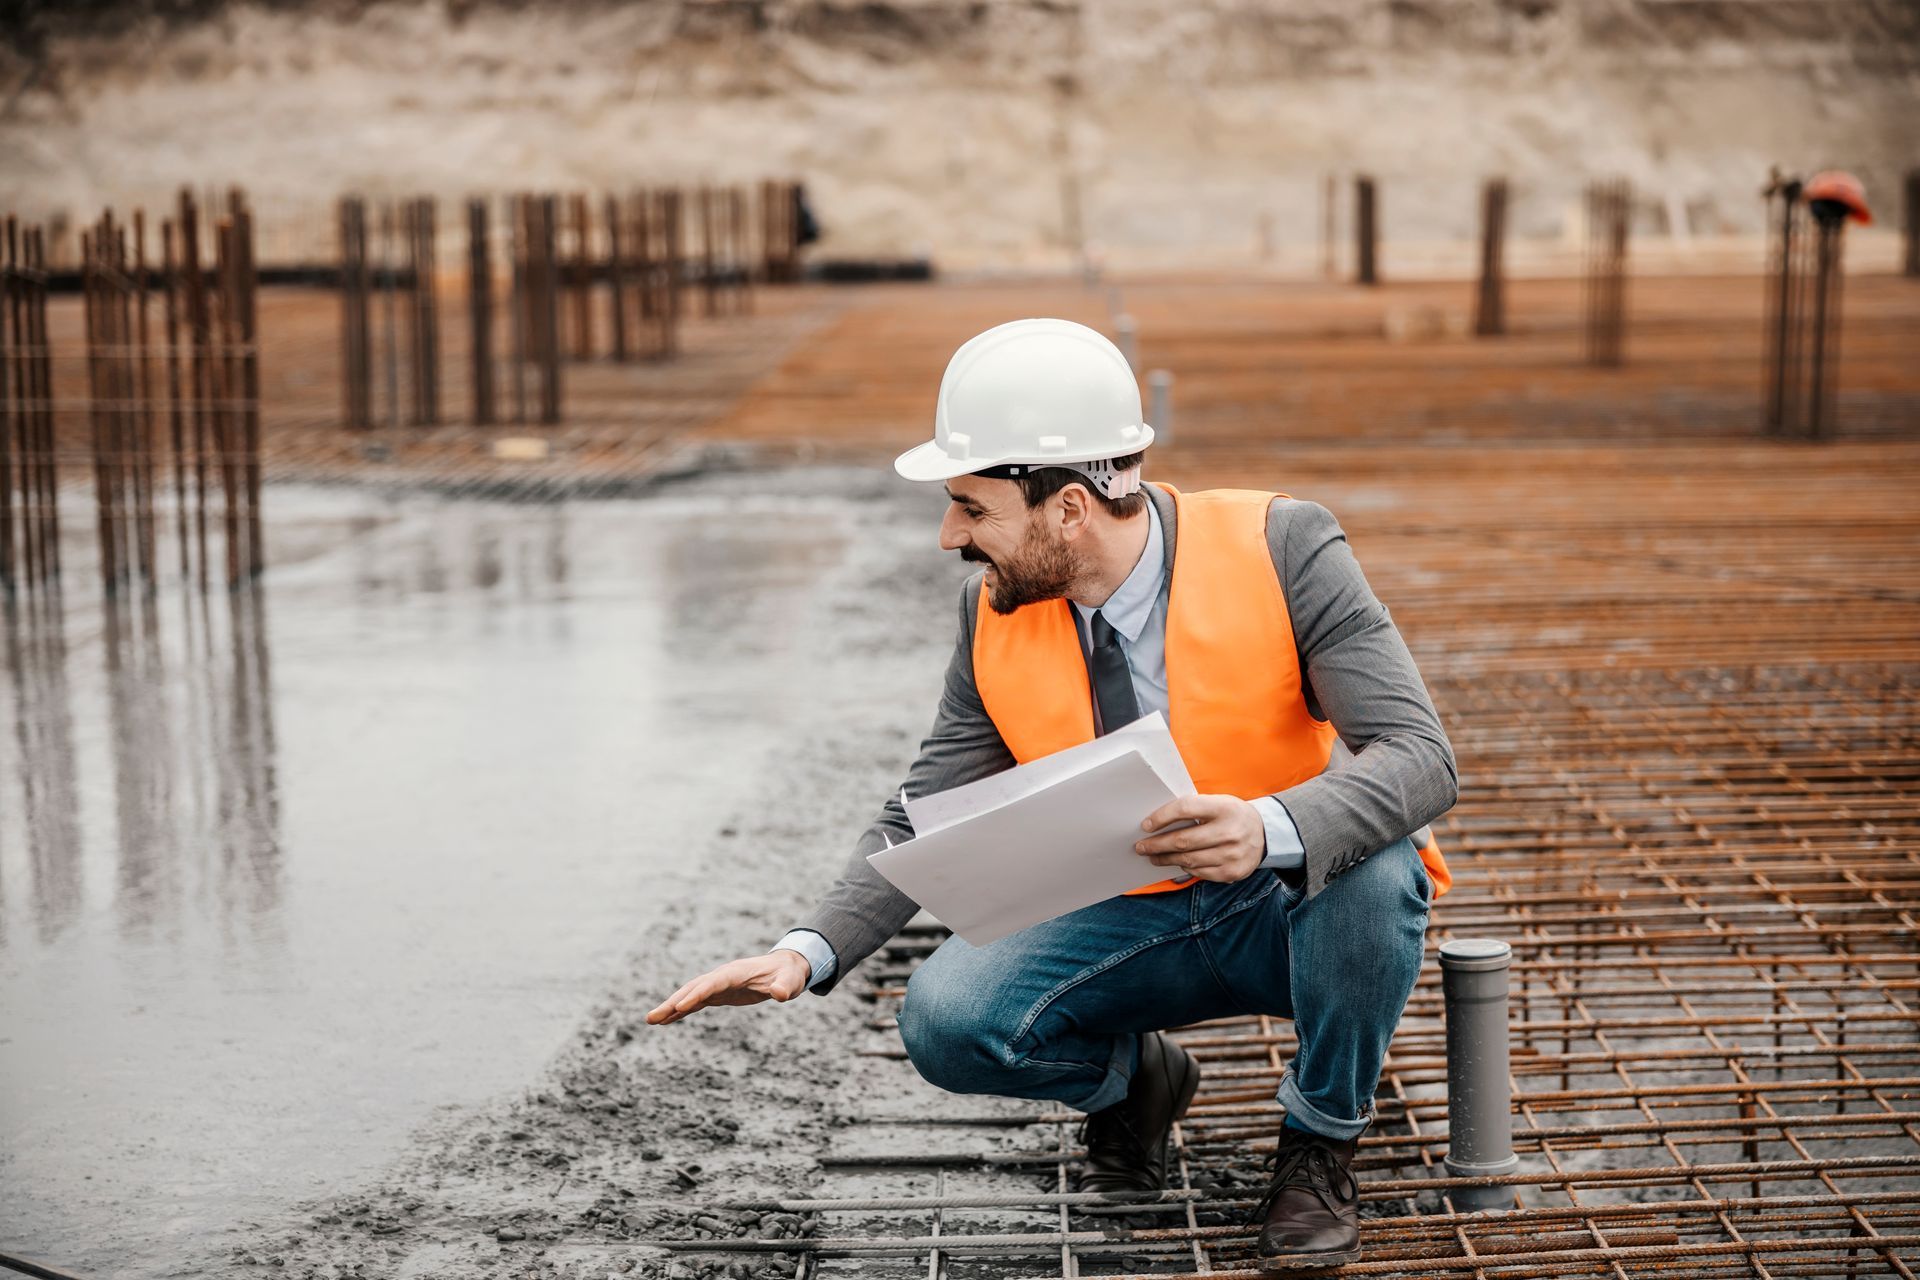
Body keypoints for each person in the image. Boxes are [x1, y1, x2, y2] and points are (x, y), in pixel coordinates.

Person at [647, 317, 1457, 1270]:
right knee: (945, 1021)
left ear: (1069, 507)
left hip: (1292, 920)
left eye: (970, 507)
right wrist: (806, 950)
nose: (950, 535)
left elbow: (1419, 755)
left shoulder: (1286, 546)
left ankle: (1319, 1143)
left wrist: (1268, 826)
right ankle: (1135, 1086)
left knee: (1376, 869)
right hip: (1131, 924)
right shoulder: (991, 612)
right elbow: (922, 809)